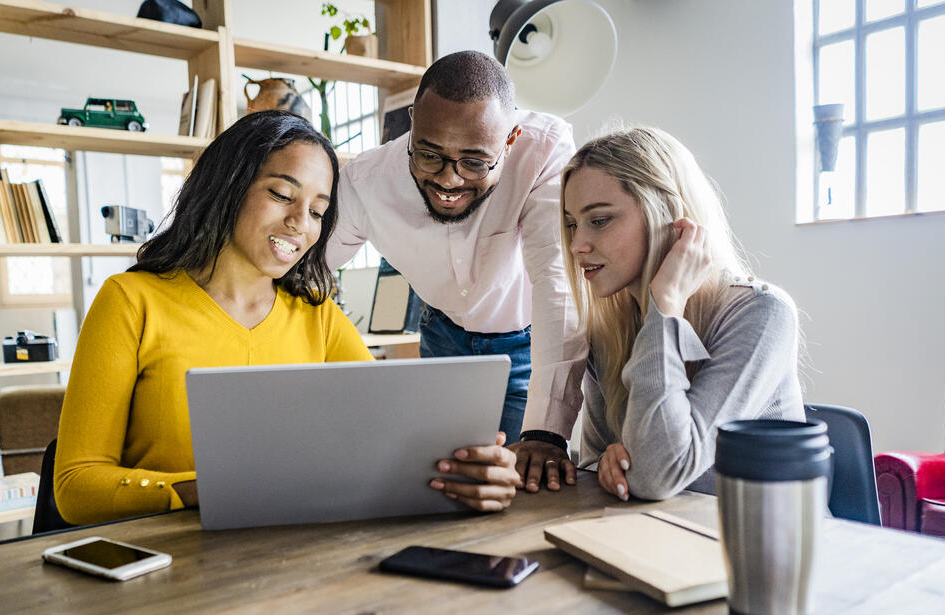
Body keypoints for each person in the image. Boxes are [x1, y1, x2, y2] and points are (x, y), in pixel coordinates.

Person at [55, 111, 518, 525]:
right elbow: (76, 487)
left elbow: (391, 446)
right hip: (168, 565)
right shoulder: (130, 302)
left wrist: (469, 470)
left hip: (290, 562)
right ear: (229, 185)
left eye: (318, 211)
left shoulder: (319, 317)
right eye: (281, 194)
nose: (302, 222)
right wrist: (204, 490)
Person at [327, 51, 586, 495]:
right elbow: (308, 268)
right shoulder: (365, 182)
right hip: (442, 336)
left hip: (527, 345)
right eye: (428, 155)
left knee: (520, 488)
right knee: (442, 485)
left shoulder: (543, 151)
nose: (449, 180)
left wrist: (546, 433)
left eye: (474, 162)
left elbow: (556, 282)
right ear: (413, 120)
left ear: (510, 139)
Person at [560, 126, 805, 501]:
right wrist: (609, 464)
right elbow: (595, 470)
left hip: (762, 546)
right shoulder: (608, 330)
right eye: (573, 223)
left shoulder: (762, 314)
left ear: (666, 214)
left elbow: (656, 475)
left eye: (599, 220)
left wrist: (665, 304)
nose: (577, 245)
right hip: (662, 537)